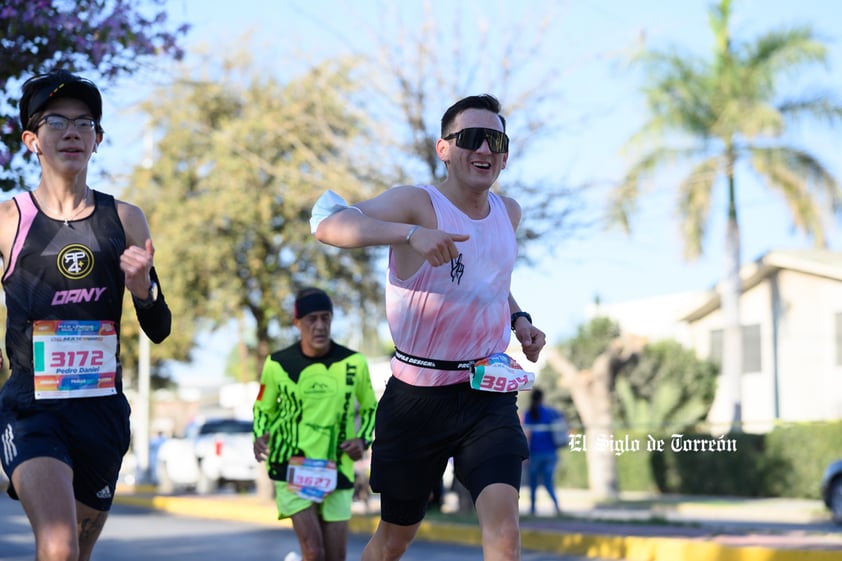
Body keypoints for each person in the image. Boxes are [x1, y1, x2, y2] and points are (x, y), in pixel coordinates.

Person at [312, 94, 547, 561]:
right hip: (417, 398)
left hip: (487, 394)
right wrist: (409, 234)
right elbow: (326, 223)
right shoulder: (417, 204)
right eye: (470, 139)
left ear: (504, 154)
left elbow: (491, 280)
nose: (484, 150)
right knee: (395, 539)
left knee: (505, 534)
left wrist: (520, 320)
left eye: (495, 141)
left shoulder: (509, 213)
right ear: (444, 148)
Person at [0, 69, 172, 561]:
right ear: (32, 139)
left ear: (98, 140)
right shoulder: (9, 220)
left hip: (101, 414)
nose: (72, 131)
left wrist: (143, 290)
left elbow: (159, 329)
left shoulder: (124, 218)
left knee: (74, 550)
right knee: (57, 546)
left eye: (85, 123)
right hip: (31, 409)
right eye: (56, 121)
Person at [253, 287, 377, 561]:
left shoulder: (353, 363)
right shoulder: (277, 364)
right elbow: (263, 408)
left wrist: (363, 440)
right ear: (297, 323)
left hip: (337, 468)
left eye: (326, 318)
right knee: (314, 551)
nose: (320, 326)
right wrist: (260, 435)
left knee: (335, 557)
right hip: (292, 466)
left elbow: (370, 408)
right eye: (312, 319)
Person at [522, 388, 563, 516]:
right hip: (551, 453)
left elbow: (527, 435)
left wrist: (525, 454)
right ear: (542, 398)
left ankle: (533, 509)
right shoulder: (550, 412)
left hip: (535, 453)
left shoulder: (529, 414)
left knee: (533, 483)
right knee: (548, 482)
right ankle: (557, 507)